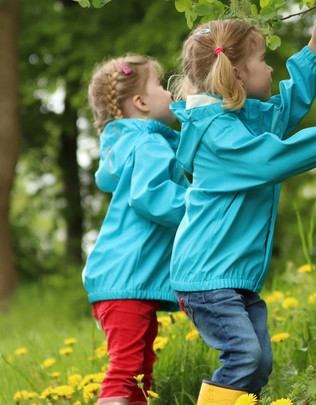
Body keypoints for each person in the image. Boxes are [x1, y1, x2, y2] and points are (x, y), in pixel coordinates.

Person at [169, 11, 316, 403]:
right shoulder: (218, 134)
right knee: (245, 356)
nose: (269, 67)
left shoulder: (237, 121)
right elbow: (270, 159)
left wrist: (315, 51)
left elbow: (281, 114)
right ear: (238, 75)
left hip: (230, 275)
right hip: (208, 277)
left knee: (258, 363)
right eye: (263, 61)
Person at [83, 54, 188, 405]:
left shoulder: (131, 145)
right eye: (159, 85)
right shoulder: (148, 144)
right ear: (140, 103)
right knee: (127, 370)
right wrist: (199, 204)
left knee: (141, 372)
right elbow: (152, 196)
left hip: (121, 280)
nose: (168, 91)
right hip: (125, 279)